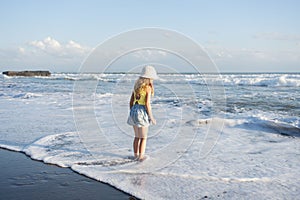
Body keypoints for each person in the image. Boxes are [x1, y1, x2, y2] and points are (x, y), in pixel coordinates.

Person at [127, 65, 159, 161]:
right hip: (142, 112)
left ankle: (135, 156)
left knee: (137, 137)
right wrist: (151, 117)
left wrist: (132, 112)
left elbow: (131, 101)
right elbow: (147, 104)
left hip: (133, 110)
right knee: (144, 137)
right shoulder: (148, 88)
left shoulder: (136, 86)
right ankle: (141, 157)